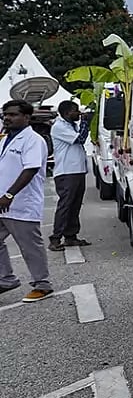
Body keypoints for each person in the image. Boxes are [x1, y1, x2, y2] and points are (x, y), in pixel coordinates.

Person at [0, 99, 52, 302]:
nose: (7, 118)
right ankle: (6, 279)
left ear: (27, 117)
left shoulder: (33, 140)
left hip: (21, 203)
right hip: (3, 203)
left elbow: (30, 169)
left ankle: (42, 284)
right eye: (5, 114)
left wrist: (9, 195)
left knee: (30, 246)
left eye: (13, 114)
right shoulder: (5, 139)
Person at [49, 100, 91, 252]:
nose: (79, 113)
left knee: (75, 205)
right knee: (66, 205)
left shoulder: (70, 125)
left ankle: (70, 236)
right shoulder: (59, 127)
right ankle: (55, 238)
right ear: (67, 113)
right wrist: (85, 122)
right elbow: (80, 139)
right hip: (67, 172)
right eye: (75, 110)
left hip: (77, 170)